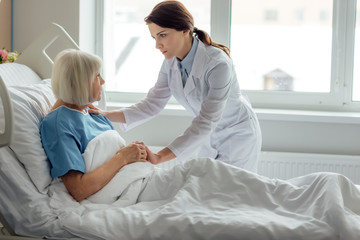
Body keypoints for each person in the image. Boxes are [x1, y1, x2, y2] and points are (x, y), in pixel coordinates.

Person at [89, 0, 262, 172]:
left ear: (185, 31)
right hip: (209, 137)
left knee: (234, 195)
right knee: (208, 192)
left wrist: (160, 156)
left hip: (238, 136)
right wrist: (104, 115)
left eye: (162, 35)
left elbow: (206, 120)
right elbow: (152, 104)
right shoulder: (170, 62)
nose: (157, 45)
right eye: (154, 37)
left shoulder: (218, 64)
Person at [40, 49, 147, 202]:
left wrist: (136, 153)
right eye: (97, 76)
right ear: (80, 83)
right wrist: (123, 157)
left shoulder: (92, 113)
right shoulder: (58, 124)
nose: (103, 81)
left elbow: (115, 155)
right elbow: (79, 189)